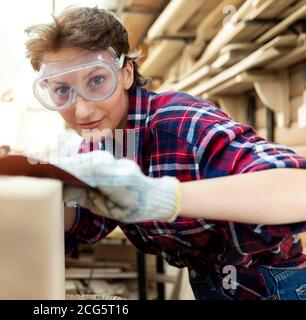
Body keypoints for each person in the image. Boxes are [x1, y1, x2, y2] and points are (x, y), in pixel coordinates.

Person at [25, 7, 306, 300]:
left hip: (278, 285)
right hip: (213, 284)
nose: (81, 110)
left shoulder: (181, 122)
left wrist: (161, 196)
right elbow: (86, 223)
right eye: (61, 91)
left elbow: (299, 190)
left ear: (125, 74)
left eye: (96, 81)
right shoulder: (101, 141)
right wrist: (54, 195)